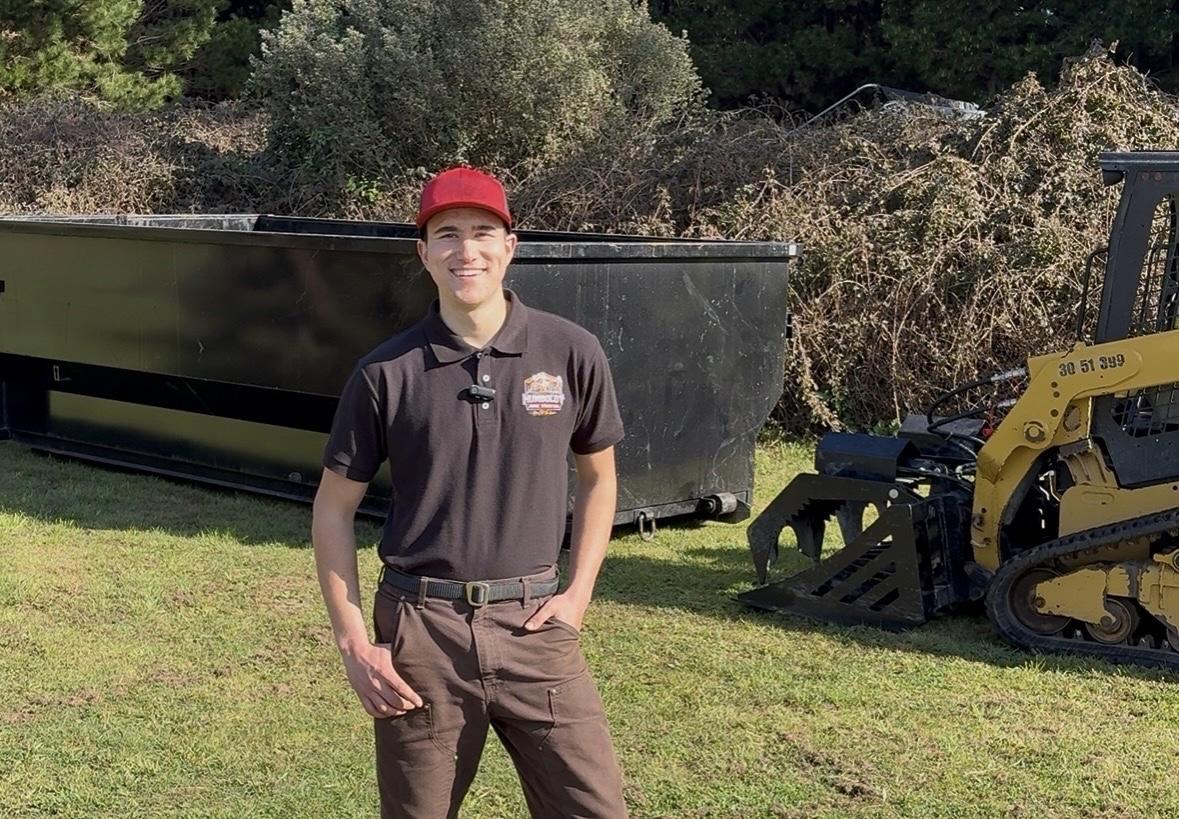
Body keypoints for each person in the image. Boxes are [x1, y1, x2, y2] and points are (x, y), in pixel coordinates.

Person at [311, 166, 629, 819]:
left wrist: (577, 594)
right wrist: (352, 640)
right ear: (422, 252)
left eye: (483, 231)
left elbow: (599, 479)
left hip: (536, 623)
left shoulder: (571, 352)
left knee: (594, 807)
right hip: (420, 631)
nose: (466, 250)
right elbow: (333, 506)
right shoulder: (385, 373)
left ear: (510, 245)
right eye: (446, 234)